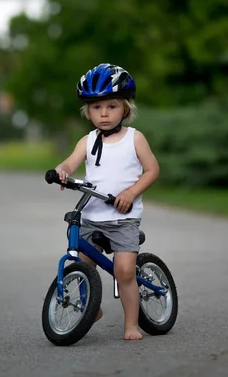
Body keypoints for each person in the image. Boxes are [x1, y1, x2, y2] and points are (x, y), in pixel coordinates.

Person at [54, 63, 160, 340]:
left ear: (125, 108)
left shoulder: (134, 139)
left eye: (111, 106)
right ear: (87, 111)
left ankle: (131, 325)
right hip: (93, 216)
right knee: (83, 263)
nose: (103, 113)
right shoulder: (87, 141)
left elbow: (152, 171)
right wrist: (63, 171)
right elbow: (71, 162)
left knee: (124, 272)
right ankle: (92, 308)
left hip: (123, 218)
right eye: (96, 107)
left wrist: (131, 193)